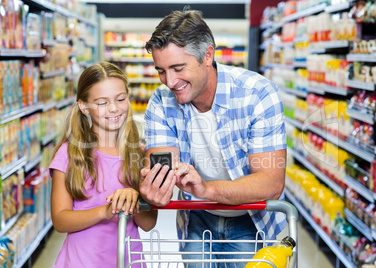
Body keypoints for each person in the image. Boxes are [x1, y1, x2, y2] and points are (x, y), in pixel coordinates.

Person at [139, 8, 287, 266]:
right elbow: (162, 166)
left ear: (207, 56)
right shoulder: (161, 103)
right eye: (161, 71)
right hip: (196, 217)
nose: (169, 82)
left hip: (252, 219)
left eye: (177, 68)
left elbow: (271, 183)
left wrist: (206, 189)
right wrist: (153, 188)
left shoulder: (257, 94)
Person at [50, 62, 157, 268]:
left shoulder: (139, 155)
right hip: (80, 263)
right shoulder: (70, 153)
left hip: (128, 262)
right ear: (84, 106)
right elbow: (60, 220)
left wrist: (134, 201)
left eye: (121, 99)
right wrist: (106, 211)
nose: (114, 108)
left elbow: (149, 223)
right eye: (101, 102)